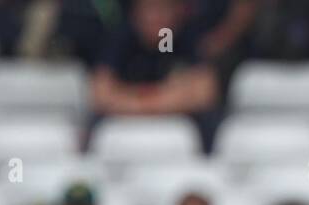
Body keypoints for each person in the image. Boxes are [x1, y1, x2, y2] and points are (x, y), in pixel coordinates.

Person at [90, 0, 221, 150]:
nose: (155, 17)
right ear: (135, 12)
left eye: (162, 9)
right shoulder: (120, 38)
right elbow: (100, 94)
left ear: (175, 11)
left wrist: (147, 101)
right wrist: (152, 102)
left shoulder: (187, 37)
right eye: (149, 9)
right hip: (127, 126)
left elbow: (205, 93)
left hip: (177, 127)